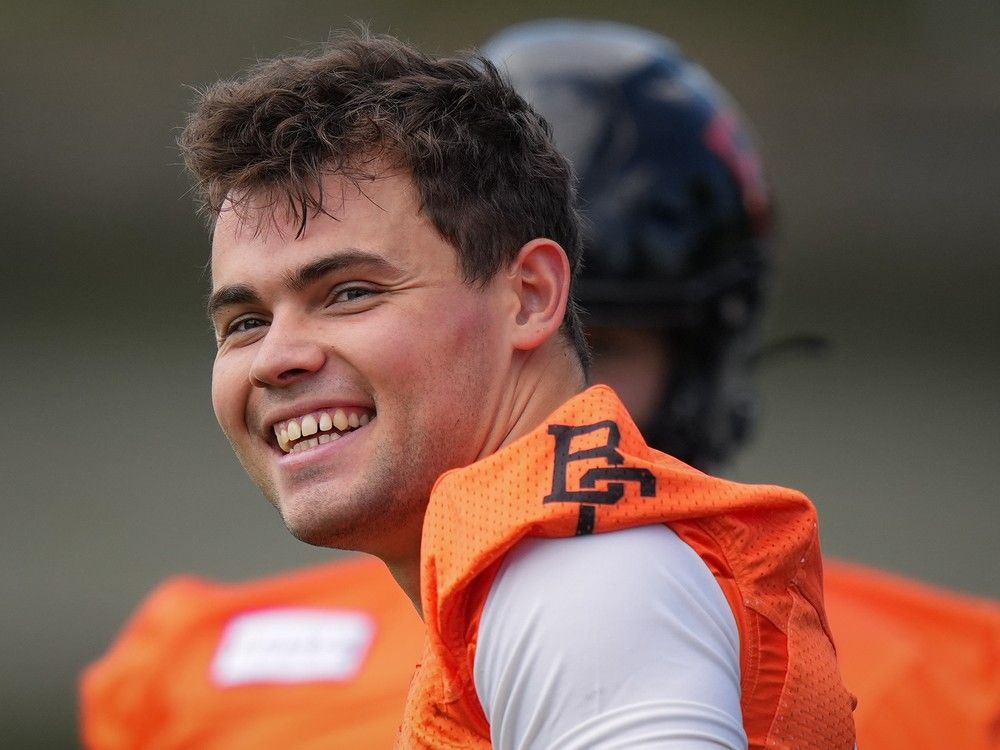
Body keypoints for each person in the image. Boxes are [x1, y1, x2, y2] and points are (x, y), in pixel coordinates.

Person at [80, 21, 1000, 750]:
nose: (279, 354)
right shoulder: (203, 658)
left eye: (350, 293)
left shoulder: (585, 572)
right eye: (243, 321)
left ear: (531, 299)